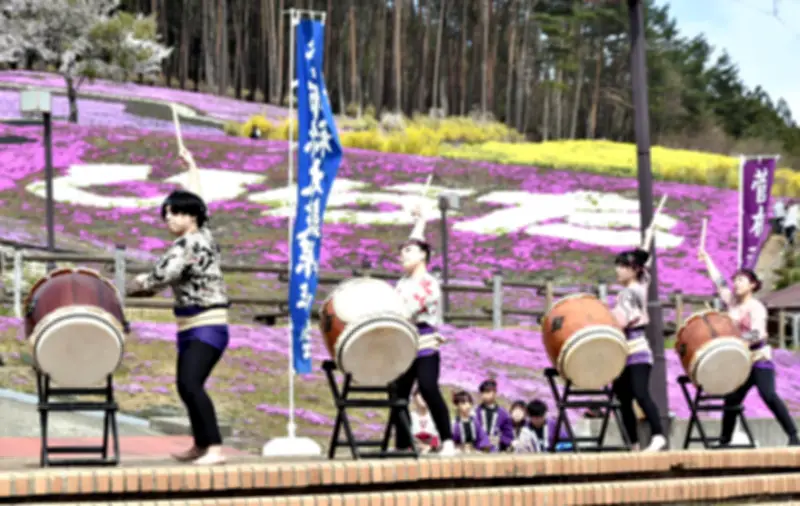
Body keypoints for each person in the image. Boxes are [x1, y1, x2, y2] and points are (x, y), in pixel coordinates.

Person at [126, 187, 230, 465]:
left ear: (192, 216)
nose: (168, 219)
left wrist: (137, 284)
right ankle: (201, 444)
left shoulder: (189, 245)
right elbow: (200, 199)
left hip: (206, 324)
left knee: (191, 384)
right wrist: (192, 168)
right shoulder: (204, 236)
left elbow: (162, 275)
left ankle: (215, 448)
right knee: (186, 386)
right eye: (166, 215)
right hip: (190, 325)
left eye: (174, 213)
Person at [698, 249, 800, 447]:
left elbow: (759, 333)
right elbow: (719, 282)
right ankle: (724, 440)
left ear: (752, 285)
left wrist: (735, 341)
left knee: (768, 395)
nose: (736, 283)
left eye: (741, 280)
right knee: (731, 400)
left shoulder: (756, 307)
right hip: (740, 362)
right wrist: (707, 259)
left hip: (758, 358)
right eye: (735, 280)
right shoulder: (732, 302)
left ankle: (794, 435)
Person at [388, 202, 456, 456]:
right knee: (399, 394)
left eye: (409, 251)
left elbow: (406, 312)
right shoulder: (402, 282)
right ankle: (403, 444)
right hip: (404, 341)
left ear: (423, 255)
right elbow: (416, 238)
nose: (403, 255)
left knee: (428, 388)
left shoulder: (429, 284)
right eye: (402, 251)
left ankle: (447, 440)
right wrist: (421, 220)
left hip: (424, 342)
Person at [610, 248, 667, 452]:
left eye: (622, 267)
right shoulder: (641, 285)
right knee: (624, 397)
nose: (617, 270)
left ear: (633, 270)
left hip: (636, 350)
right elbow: (646, 268)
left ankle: (658, 435)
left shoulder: (629, 293)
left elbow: (623, 320)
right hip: (628, 352)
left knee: (640, 394)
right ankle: (633, 443)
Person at [475, 379, 515, 451]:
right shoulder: (475, 412)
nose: (485, 394)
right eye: (483, 392)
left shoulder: (503, 414)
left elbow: (509, 437)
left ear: (495, 393)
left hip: (496, 452)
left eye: (488, 392)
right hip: (478, 451)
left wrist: (497, 439)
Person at [409, 388, 440, 454]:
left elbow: (439, 437)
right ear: (414, 397)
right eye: (420, 394)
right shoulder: (410, 417)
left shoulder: (436, 416)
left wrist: (430, 447)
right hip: (414, 452)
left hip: (433, 453)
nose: (424, 396)